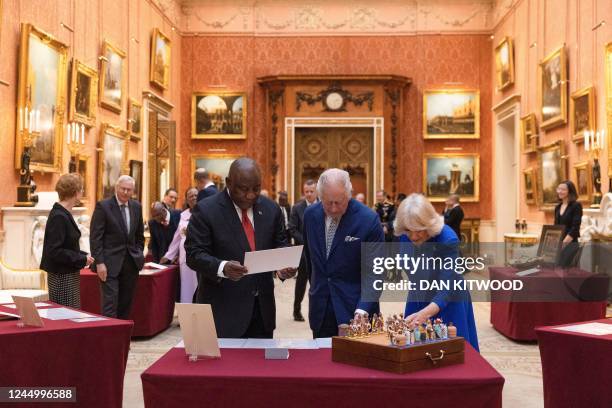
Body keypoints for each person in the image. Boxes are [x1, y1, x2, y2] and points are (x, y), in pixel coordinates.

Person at [185, 157, 296, 338]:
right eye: (243, 189)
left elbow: (280, 245)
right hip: (222, 312)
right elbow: (194, 254)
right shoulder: (206, 210)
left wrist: (282, 268)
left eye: (256, 189)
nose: (250, 195)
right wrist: (222, 267)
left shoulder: (271, 209)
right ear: (228, 183)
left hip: (262, 312)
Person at [303, 169, 384, 338]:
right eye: (328, 202)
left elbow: (376, 272)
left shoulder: (368, 220)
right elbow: (311, 261)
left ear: (349, 194)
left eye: (339, 202)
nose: (333, 208)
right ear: (320, 197)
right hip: (321, 308)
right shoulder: (310, 215)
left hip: (356, 310)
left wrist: (362, 309)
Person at [394, 193, 479, 351]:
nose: (413, 236)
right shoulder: (406, 235)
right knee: (414, 352)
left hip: (449, 299)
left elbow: (446, 288)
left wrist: (425, 313)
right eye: (408, 230)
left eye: (418, 230)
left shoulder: (447, 239)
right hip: (418, 295)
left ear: (428, 224)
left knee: (450, 354)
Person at [90, 175, 145, 319]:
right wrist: (100, 262)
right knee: (110, 305)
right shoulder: (103, 206)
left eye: (129, 190)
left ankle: (122, 340)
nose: (126, 192)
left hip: (131, 264)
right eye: (123, 189)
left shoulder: (136, 207)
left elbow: (139, 236)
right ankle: (109, 340)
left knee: (125, 305)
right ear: (116, 188)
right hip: (108, 264)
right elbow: (96, 237)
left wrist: (139, 253)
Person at [40, 174, 94, 308]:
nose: (82, 193)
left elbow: (67, 246)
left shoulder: (63, 213)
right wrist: (81, 259)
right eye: (81, 190)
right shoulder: (59, 216)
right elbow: (55, 251)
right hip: (62, 276)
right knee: (66, 318)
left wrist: (83, 256)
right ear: (75, 193)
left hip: (67, 274)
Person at [162, 188, 199, 303]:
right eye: (190, 196)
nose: (193, 197)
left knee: (199, 287)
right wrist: (168, 256)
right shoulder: (183, 215)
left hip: (201, 256)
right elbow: (177, 238)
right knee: (186, 287)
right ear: (187, 200)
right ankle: (186, 317)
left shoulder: (206, 213)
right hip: (185, 259)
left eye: (195, 195)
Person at [288, 179, 318, 321]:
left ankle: (317, 311)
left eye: (312, 191)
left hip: (318, 252)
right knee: (301, 283)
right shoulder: (297, 208)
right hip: (302, 253)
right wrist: (306, 240)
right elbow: (292, 229)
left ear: (316, 191)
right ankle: (296, 311)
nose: (309, 194)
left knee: (317, 283)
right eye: (306, 191)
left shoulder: (323, 206)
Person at [554, 180, 583, 267]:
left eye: (563, 189)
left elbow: (575, 228)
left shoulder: (576, 205)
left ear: (570, 191)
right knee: (556, 272)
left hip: (571, 244)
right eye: (559, 189)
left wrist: (563, 244)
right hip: (559, 245)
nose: (560, 191)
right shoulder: (557, 207)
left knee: (567, 272)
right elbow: (555, 227)